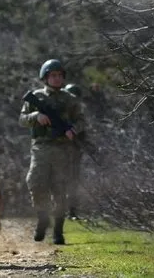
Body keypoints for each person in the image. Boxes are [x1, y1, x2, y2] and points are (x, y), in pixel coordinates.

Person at [19, 59, 85, 245]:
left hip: (63, 149)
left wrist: (73, 130)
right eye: (52, 75)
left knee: (60, 190)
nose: (56, 79)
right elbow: (22, 119)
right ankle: (42, 217)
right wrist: (36, 116)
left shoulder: (70, 100)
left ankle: (58, 230)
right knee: (35, 182)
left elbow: (81, 120)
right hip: (41, 147)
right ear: (45, 77)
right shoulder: (36, 97)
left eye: (59, 75)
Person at [63, 83, 85, 220]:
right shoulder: (61, 113)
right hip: (59, 151)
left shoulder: (78, 115)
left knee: (73, 182)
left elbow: (82, 131)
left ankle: (72, 211)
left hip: (74, 152)